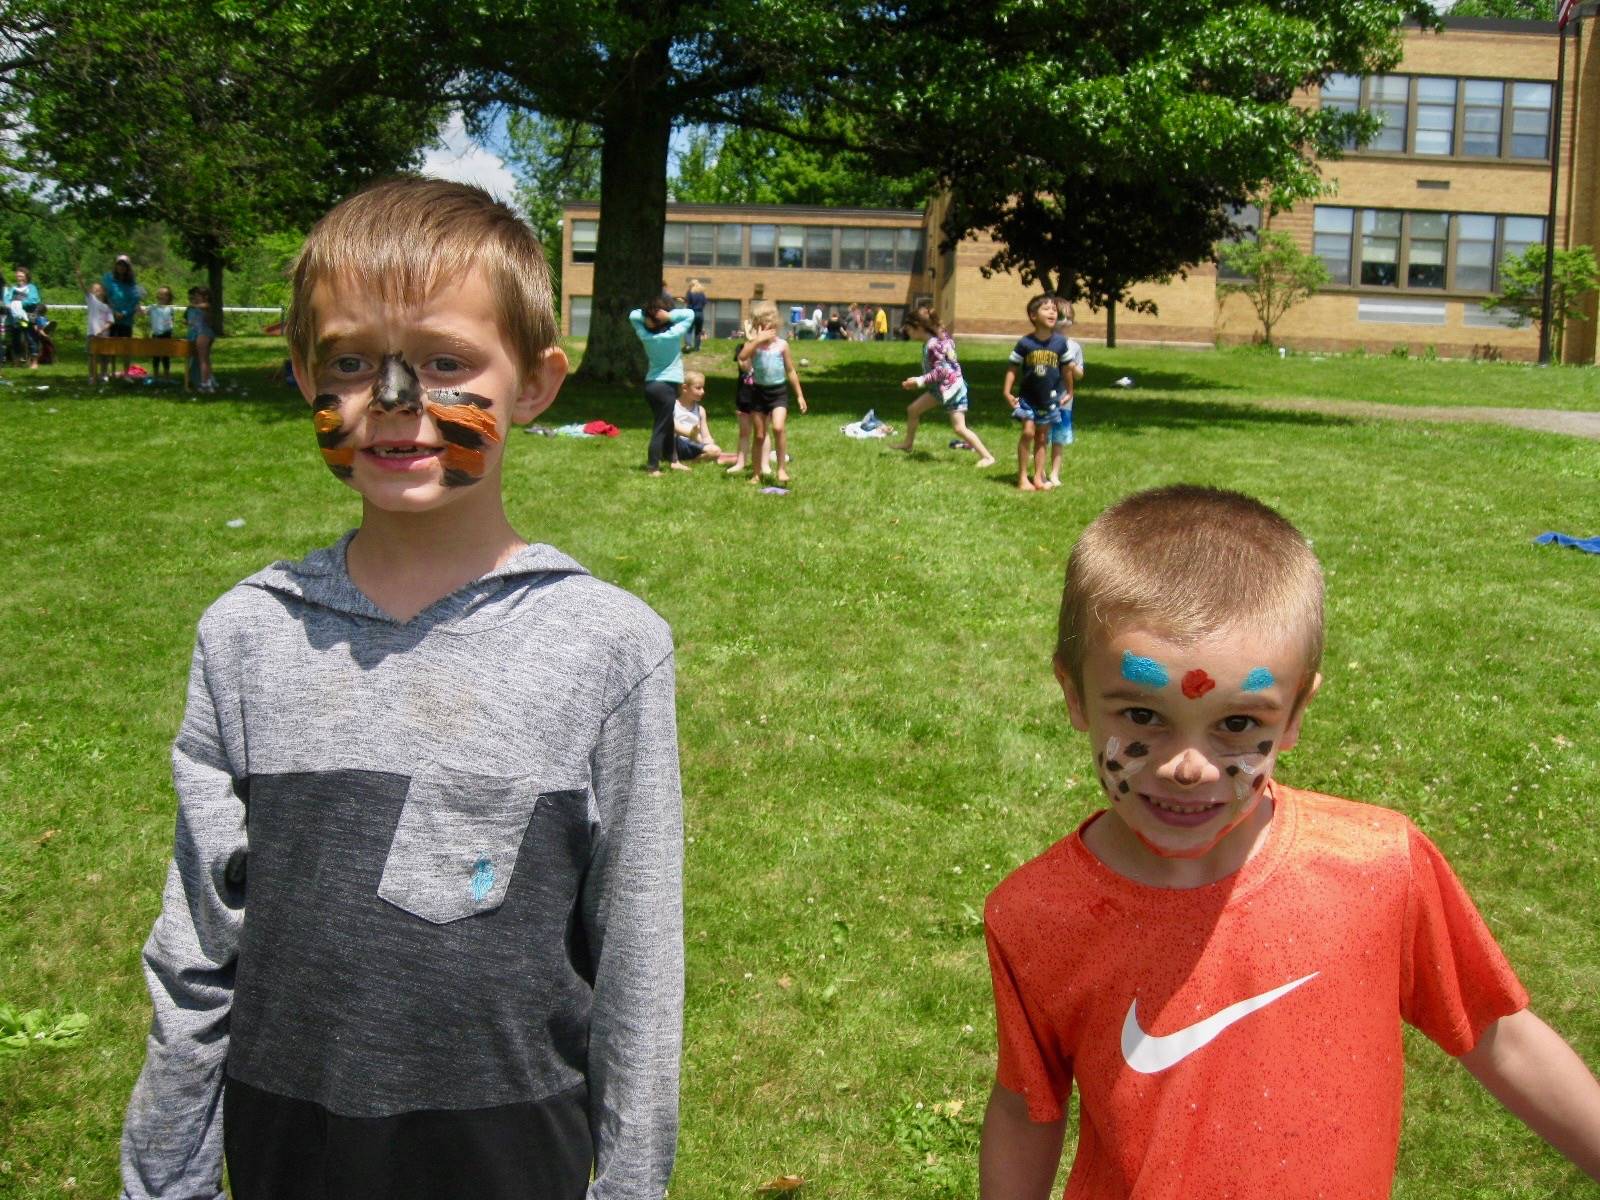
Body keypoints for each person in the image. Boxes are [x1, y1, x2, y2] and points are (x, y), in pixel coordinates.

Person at [119, 176, 684, 1200]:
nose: (391, 402)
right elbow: (198, 942)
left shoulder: (608, 646)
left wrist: (633, 1182)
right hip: (286, 1142)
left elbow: (638, 958)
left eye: (443, 363)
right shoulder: (246, 636)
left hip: (512, 1152)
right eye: (349, 363)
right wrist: (166, 1177)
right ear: (303, 375)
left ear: (537, 383)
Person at [978, 484, 1600, 1200]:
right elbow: (1029, 1104)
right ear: (1077, 697)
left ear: (1298, 711)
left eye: (1237, 724)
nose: (1188, 765)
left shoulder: (1377, 869)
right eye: (1144, 714)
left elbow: (1501, 1036)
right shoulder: (1036, 914)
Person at [889, 305, 994, 467]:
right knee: (913, 410)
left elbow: (942, 371)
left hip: (953, 391)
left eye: (909, 329)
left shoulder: (933, 345)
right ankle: (908, 444)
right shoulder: (936, 340)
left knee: (959, 428)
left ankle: (987, 457)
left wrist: (919, 381)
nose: (908, 333)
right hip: (940, 389)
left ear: (919, 327)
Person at [1001, 294, 1069, 491]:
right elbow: (1013, 367)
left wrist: (1070, 391)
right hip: (1027, 398)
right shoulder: (1025, 343)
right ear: (1033, 315)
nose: (1052, 312)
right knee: (1028, 432)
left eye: (1054, 310)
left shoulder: (1060, 343)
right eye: (1046, 309)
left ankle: (1038, 478)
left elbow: (1067, 369)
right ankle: (1022, 478)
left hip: (1050, 399)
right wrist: (1007, 392)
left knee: (1042, 437)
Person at [736, 300, 807, 485]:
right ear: (758, 326)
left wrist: (799, 395)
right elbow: (742, 357)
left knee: (778, 427)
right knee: (759, 435)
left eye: (770, 322)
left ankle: (781, 468)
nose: (767, 326)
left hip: (778, 393)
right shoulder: (755, 345)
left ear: (775, 325)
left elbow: (790, 370)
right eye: (762, 323)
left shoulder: (782, 345)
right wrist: (756, 340)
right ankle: (756, 473)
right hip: (758, 393)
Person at [628, 293, 696, 475]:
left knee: (668, 424)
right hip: (667, 386)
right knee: (661, 426)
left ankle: (673, 459)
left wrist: (649, 315)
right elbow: (690, 314)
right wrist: (669, 316)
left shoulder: (644, 334)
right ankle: (653, 467)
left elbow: (633, 315)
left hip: (652, 385)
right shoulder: (674, 334)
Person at [1044, 297, 1085, 489]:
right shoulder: (1043, 342)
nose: (1065, 323)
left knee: (1058, 439)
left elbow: (1079, 375)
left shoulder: (1074, 346)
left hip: (1064, 401)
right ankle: (1040, 472)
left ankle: (1054, 473)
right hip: (1044, 398)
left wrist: (1071, 365)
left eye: (1069, 319)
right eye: (1062, 318)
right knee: (1042, 437)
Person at [673, 370, 736, 465]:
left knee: (718, 452)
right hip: (676, 444)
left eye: (703, 388)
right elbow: (671, 428)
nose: (703, 391)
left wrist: (710, 444)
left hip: (694, 444)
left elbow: (706, 435)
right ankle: (693, 462)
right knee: (715, 452)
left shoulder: (700, 410)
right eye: (698, 388)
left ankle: (711, 457)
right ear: (685, 388)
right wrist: (693, 435)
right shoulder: (673, 406)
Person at [103, 253, 145, 377]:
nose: (121, 267)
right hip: (111, 318)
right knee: (110, 346)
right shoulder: (108, 279)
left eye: (124, 265)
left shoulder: (132, 284)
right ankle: (109, 372)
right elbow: (105, 296)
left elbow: (134, 301)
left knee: (126, 348)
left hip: (126, 320)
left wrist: (124, 313)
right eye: (119, 264)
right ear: (115, 266)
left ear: (128, 268)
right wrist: (113, 312)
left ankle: (126, 374)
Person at [5, 266, 41, 368]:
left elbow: (34, 300)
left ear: (26, 276)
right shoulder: (13, 288)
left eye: (21, 274)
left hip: (27, 316)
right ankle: (17, 361)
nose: (18, 276)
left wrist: (20, 303)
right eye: (17, 274)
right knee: (15, 339)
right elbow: (7, 298)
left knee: (30, 338)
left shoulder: (31, 288)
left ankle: (34, 362)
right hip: (15, 318)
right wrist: (10, 304)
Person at [184, 286, 217, 392]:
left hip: (203, 334)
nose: (196, 298)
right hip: (205, 333)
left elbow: (203, 306)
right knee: (206, 360)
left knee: (202, 360)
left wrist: (193, 304)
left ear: (205, 297)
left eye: (198, 296)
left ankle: (204, 383)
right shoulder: (201, 307)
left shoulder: (205, 305)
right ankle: (209, 382)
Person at [86, 281, 114, 384]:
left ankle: (104, 375)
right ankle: (92, 376)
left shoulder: (108, 307)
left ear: (103, 292)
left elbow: (110, 322)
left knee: (104, 357)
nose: (96, 291)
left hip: (104, 336)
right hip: (92, 334)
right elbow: (84, 289)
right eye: (94, 289)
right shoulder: (91, 301)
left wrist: (102, 330)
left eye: (98, 289)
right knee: (92, 356)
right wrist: (80, 277)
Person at [147, 286, 176, 379]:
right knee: (155, 355)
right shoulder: (152, 307)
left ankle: (166, 375)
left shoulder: (170, 308)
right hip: (155, 334)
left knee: (165, 355)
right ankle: (155, 375)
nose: (162, 296)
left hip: (166, 334)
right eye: (160, 294)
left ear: (168, 296)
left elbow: (172, 319)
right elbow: (142, 312)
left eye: (165, 294)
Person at [685, 277, 707, 351]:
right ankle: (697, 348)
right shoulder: (702, 293)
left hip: (691, 312)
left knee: (689, 329)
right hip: (700, 313)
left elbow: (688, 302)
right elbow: (704, 303)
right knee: (698, 331)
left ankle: (688, 345)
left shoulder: (690, 292)